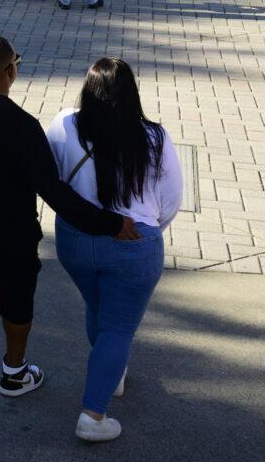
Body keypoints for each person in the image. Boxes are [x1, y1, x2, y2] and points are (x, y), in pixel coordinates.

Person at [0, 36, 134, 430]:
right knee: (17, 305)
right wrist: (110, 223)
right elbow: (54, 192)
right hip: (12, 235)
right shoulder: (22, 126)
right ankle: (14, 373)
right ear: (11, 71)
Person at [45, 58, 183, 442]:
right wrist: (151, 231)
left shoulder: (64, 124)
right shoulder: (154, 137)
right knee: (119, 327)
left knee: (98, 306)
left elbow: (53, 178)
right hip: (133, 244)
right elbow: (171, 200)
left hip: (75, 239)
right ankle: (93, 414)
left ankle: (112, 372)